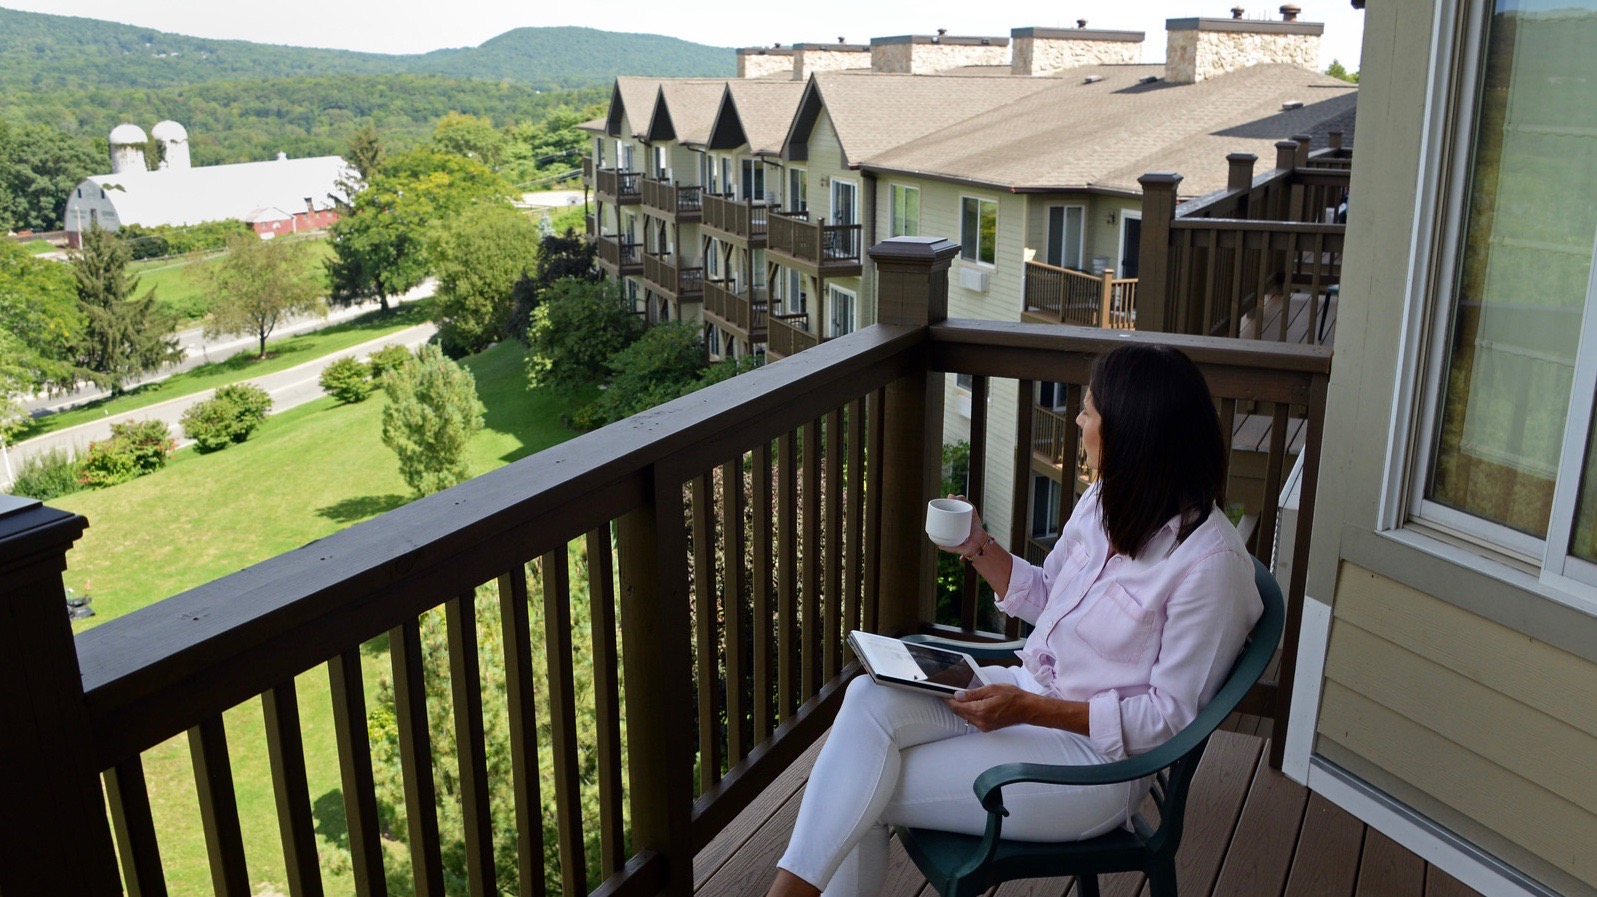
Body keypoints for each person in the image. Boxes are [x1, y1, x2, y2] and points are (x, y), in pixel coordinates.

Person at [765, 344, 1263, 897]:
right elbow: (1051, 596)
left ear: (1132, 434)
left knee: (860, 789)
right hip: (1028, 693)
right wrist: (979, 547)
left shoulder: (1209, 566)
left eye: (1090, 412)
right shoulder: (1110, 499)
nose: (1078, 421)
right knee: (867, 699)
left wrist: (1030, 708)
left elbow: (1168, 721)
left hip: (1093, 768)